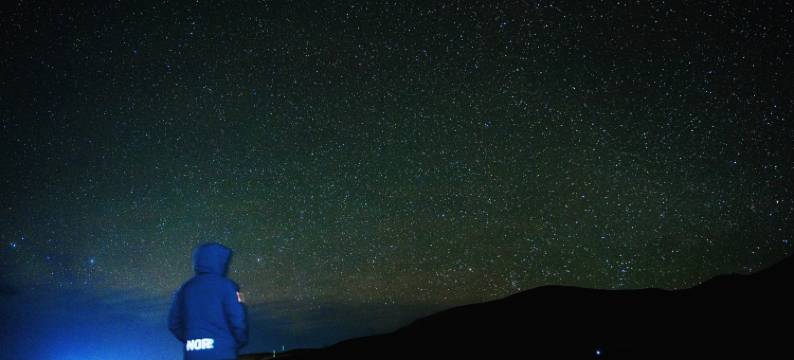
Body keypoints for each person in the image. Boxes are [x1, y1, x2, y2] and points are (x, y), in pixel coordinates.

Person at [169, 242, 248, 360]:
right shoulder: (229, 286)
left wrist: (192, 340)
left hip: (193, 353)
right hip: (222, 353)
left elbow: (173, 323)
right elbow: (238, 319)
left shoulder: (185, 288)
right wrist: (237, 342)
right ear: (221, 262)